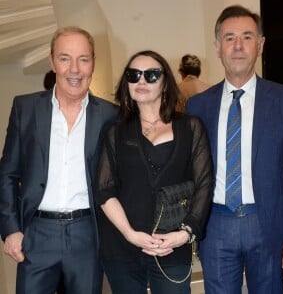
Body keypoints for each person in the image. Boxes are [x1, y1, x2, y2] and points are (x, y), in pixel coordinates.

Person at [186, 5, 283, 294]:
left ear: (260, 45)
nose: (238, 46)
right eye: (229, 38)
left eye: (247, 37)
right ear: (217, 47)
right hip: (216, 226)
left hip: (269, 226)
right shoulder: (198, 106)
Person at [0, 26, 118, 294]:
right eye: (65, 58)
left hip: (88, 235)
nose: (74, 69)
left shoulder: (111, 116)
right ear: (53, 61)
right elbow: (7, 173)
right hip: (37, 234)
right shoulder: (25, 108)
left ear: (93, 63)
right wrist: (10, 230)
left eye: (83, 59)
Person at [96, 50, 213, 294]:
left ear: (165, 82)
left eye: (151, 75)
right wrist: (131, 234)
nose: (141, 81)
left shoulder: (190, 127)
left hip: (172, 246)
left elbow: (204, 184)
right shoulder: (115, 132)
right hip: (122, 248)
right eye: (134, 74)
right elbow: (104, 190)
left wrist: (185, 234)